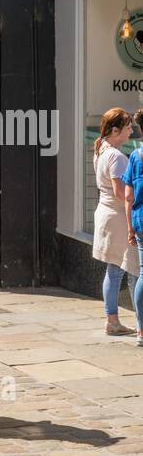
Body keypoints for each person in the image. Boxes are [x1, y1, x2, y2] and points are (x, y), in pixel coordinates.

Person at [92, 108, 137, 335]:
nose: (131, 131)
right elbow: (121, 193)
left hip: (106, 213)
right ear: (116, 129)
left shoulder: (102, 149)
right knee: (127, 270)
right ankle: (125, 322)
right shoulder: (116, 156)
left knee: (114, 269)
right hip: (118, 217)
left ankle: (112, 320)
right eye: (128, 127)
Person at [122, 129, 143, 347]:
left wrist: (130, 227)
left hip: (140, 220)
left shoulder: (136, 156)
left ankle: (141, 329)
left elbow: (128, 196)